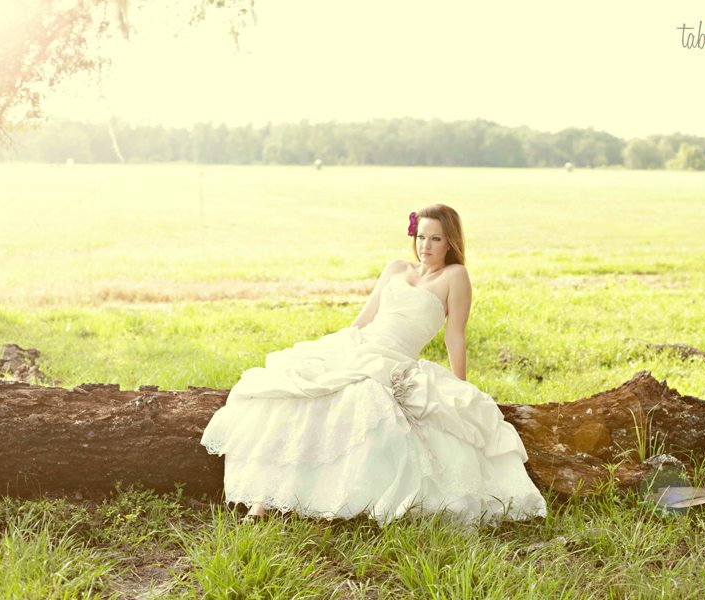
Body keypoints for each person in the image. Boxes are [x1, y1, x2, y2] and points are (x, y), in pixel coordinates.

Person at [201, 204, 547, 526]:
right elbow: (364, 319)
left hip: (394, 360)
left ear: (450, 242)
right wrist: (336, 348)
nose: (425, 246)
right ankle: (261, 503)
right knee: (297, 395)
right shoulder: (396, 268)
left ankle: (329, 499)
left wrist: (461, 388)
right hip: (361, 345)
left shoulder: (455, 276)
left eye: (435, 239)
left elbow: (455, 336)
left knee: (357, 400)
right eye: (421, 236)